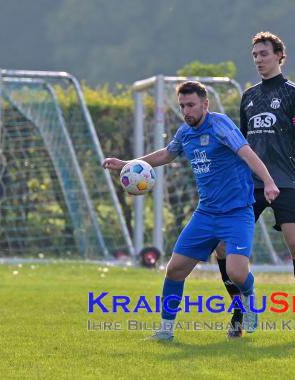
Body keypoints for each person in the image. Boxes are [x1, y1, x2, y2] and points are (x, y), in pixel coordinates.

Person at [103, 81, 279, 341]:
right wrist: (129, 164)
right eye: (183, 106)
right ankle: (165, 330)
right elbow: (166, 154)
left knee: (237, 273)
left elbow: (247, 153)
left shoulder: (220, 125)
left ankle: (249, 296)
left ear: (205, 104)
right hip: (206, 214)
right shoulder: (185, 133)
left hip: (236, 213)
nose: (187, 111)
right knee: (174, 270)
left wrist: (269, 182)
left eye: (191, 105)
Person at [216, 31, 295, 339]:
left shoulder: (294, 94)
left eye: (264, 53)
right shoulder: (248, 97)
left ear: (279, 56)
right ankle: (238, 313)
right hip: (249, 184)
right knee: (222, 248)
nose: (259, 59)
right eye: (255, 55)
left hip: (284, 181)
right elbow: (241, 146)